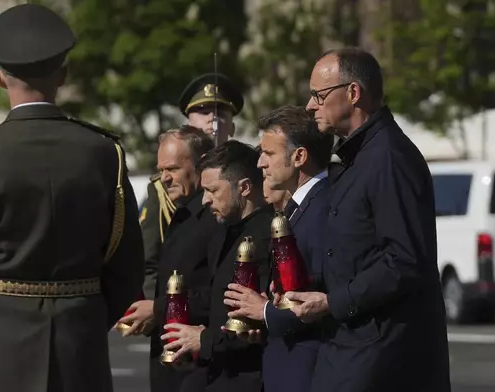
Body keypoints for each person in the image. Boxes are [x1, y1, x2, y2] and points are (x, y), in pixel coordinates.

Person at [0, 4, 144, 392]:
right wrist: (83, 309)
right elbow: (127, 266)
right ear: (63, 75)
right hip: (80, 342)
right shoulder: (103, 152)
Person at [285, 47, 450, 392]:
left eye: (318, 94)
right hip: (349, 346)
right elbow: (352, 254)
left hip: (381, 356)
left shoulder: (389, 157)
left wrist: (332, 302)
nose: (309, 105)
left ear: (353, 93)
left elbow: (403, 261)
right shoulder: (354, 158)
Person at [225, 105, 333, 392]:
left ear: (299, 157)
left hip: (308, 370)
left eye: (269, 153)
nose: (260, 162)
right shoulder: (299, 208)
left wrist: (265, 312)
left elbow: (321, 294)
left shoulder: (324, 208)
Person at [162, 140, 273, 392]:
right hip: (218, 372)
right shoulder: (225, 232)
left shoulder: (266, 237)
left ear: (244, 187)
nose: (205, 201)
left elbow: (256, 325)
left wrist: (204, 339)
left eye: (213, 191)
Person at [119, 126, 219, 392]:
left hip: (198, 365)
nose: (164, 178)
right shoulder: (183, 214)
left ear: (202, 164)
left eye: (173, 169)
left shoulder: (216, 218)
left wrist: (157, 308)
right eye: (161, 170)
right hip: (172, 361)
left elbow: (219, 293)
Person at [139, 73, 244, 298]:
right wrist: (157, 309)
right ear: (188, 123)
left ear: (233, 127)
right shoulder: (165, 187)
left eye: (221, 113)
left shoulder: (254, 172)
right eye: (203, 112)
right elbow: (151, 261)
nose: (212, 120)